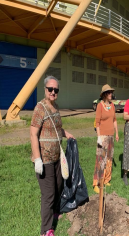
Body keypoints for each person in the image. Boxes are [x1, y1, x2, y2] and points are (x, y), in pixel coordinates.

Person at [30, 76, 74, 236]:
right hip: (45, 159)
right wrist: (37, 159)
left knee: (58, 186)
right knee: (48, 194)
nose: (53, 92)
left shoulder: (56, 108)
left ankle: (55, 212)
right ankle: (46, 230)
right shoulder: (39, 108)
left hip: (57, 158)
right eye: (50, 89)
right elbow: (33, 134)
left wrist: (66, 133)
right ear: (45, 89)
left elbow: (57, 128)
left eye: (56, 90)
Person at [93, 84, 119, 193]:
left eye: (111, 92)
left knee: (109, 158)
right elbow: (97, 123)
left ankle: (107, 179)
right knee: (100, 160)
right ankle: (96, 183)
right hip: (102, 136)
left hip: (111, 136)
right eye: (108, 93)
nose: (110, 94)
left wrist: (117, 133)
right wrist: (99, 137)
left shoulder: (112, 105)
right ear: (104, 95)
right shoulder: (100, 106)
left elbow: (114, 120)